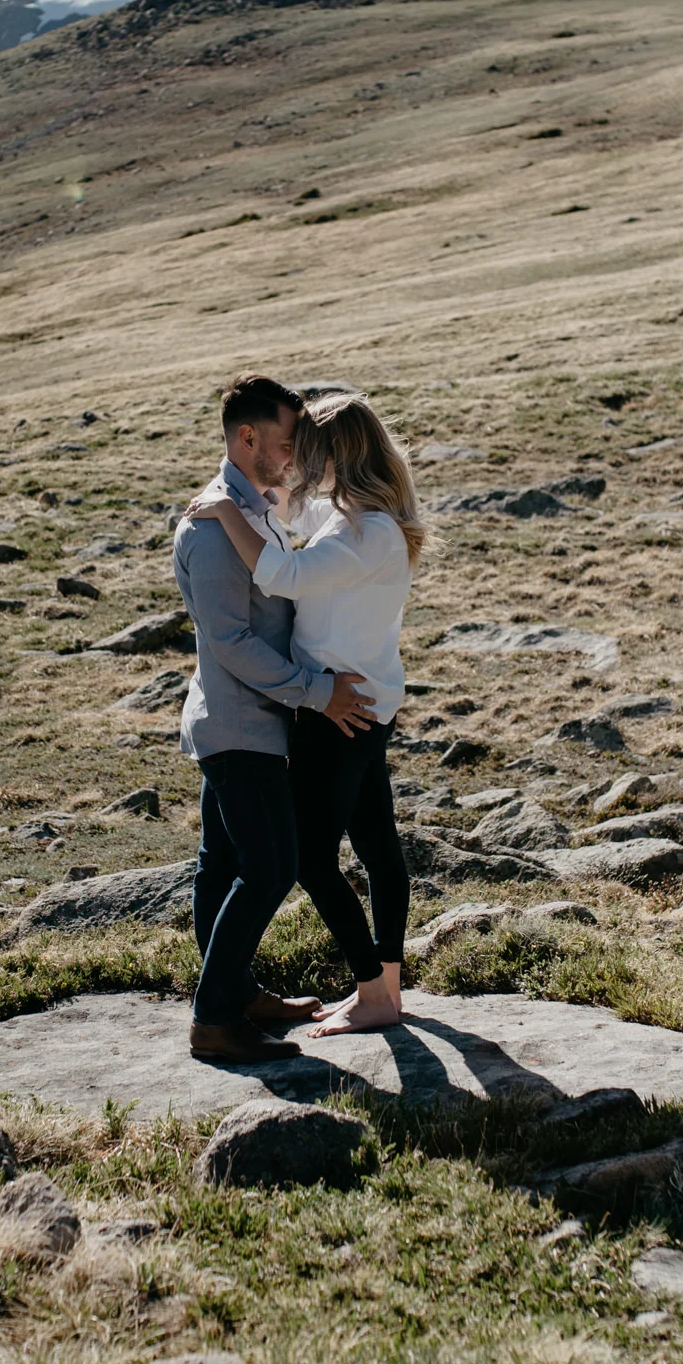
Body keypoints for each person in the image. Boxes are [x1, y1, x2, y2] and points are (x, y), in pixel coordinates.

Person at [188, 389, 422, 1037]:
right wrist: (242, 491)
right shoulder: (350, 515)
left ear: (332, 453)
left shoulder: (365, 531)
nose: (294, 463)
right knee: (375, 843)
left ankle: (374, 993)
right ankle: (386, 990)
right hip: (361, 700)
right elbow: (286, 507)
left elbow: (278, 575)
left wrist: (220, 509)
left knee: (314, 858)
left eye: (305, 450)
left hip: (338, 710)